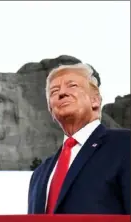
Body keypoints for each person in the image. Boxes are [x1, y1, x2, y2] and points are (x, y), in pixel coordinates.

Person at [27, 63, 130, 214]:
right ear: (51, 109)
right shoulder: (39, 174)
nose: (62, 93)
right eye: (54, 91)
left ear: (95, 100)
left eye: (72, 86)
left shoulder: (125, 146)